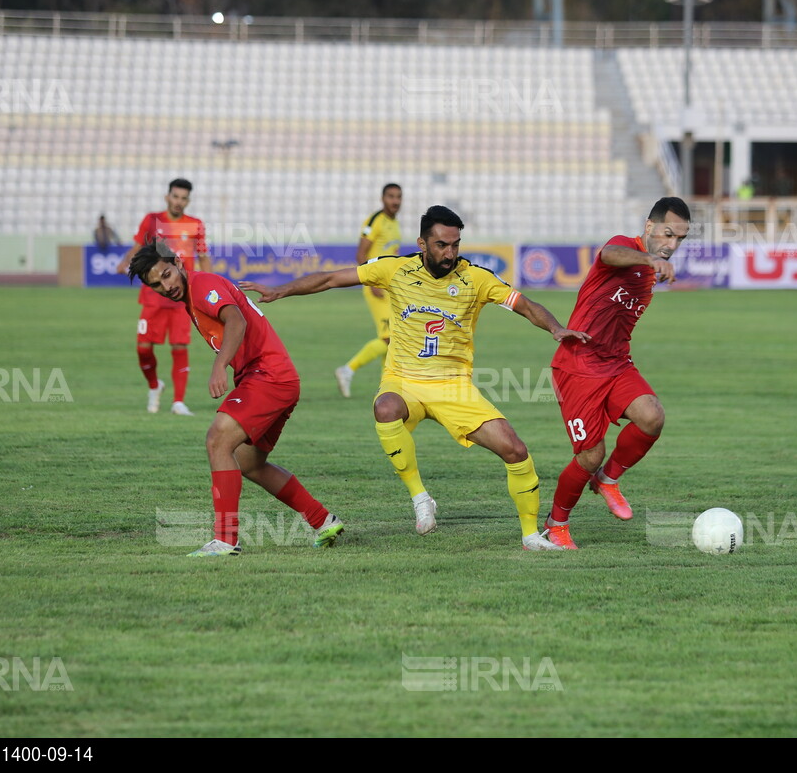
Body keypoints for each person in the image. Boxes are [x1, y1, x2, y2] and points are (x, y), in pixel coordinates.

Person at [241, 205, 591, 552]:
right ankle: (421, 497)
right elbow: (332, 278)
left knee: (515, 449)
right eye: (441, 244)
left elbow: (526, 305)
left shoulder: (477, 278)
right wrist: (281, 290)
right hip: (404, 381)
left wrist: (556, 327)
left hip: (454, 387)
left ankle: (531, 536)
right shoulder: (394, 269)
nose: (450, 253)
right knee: (385, 407)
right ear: (422, 243)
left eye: (455, 245)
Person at [127, 240, 344, 556]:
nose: (166, 286)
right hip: (273, 378)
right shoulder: (191, 294)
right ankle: (323, 520)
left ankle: (226, 539)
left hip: (267, 376)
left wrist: (219, 367)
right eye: (157, 284)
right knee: (249, 463)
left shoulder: (202, 284)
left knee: (217, 440)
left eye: (167, 274)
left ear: (177, 262)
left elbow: (236, 320)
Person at [542, 197, 691, 550]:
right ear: (649, 227)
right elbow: (609, 253)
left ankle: (608, 480)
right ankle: (555, 525)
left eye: (679, 239)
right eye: (667, 234)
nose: (671, 245)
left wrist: (653, 264)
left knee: (652, 417)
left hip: (616, 363)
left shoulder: (650, 273)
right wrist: (649, 257)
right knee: (589, 455)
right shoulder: (627, 248)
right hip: (577, 366)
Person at [116, 179, 210, 416]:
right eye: (175, 196)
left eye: (183, 198)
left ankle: (178, 401)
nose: (179, 202)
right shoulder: (152, 220)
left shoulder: (195, 225)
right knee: (143, 348)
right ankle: (154, 385)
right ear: (167, 197)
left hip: (181, 297)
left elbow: (203, 255)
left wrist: (209, 282)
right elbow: (138, 246)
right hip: (153, 295)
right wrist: (125, 261)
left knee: (179, 345)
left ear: (188, 201)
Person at [335, 183, 403, 398]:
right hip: (376, 286)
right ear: (383, 198)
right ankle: (348, 370)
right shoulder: (375, 221)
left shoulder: (395, 224)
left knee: (393, 339)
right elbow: (360, 254)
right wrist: (371, 282)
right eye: (391, 196)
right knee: (389, 338)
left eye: (398, 197)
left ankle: (387, 388)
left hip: (388, 287)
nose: (395, 201)